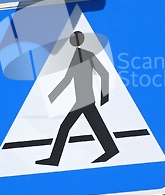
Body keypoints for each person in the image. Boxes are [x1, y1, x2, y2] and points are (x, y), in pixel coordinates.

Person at [36, 31, 119, 166]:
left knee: (65, 127)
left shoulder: (87, 55)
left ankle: (55, 159)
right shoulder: (75, 57)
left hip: (85, 100)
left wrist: (105, 96)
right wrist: (54, 95)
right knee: (96, 126)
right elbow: (68, 79)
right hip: (82, 100)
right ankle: (111, 149)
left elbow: (104, 73)